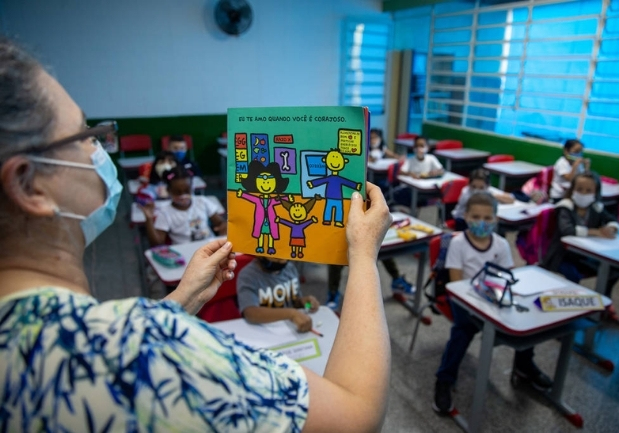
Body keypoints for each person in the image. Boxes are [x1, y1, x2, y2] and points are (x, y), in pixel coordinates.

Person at [0, 38, 392, 431]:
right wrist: (362, 256)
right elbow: (355, 417)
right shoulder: (163, 350)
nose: (99, 149)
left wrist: (179, 301)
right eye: (83, 136)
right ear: (29, 185)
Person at [433, 192, 552, 414]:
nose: (482, 222)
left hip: (492, 297)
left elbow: (507, 276)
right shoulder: (458, 243)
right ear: (466, 217)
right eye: (476, 216)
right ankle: (444, 379)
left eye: (488, 218)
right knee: (463, 331)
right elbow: (455, 282)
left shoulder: (500, 244)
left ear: (496, 219)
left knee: (525, 319)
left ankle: (525, 367)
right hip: (463, 300)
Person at [542, 171, 619, 295]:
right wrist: (594, 232)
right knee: (573, 274)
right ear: (572, 190)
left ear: (595, 193)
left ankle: (605, 301)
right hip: (563, 255)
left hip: (586, 255)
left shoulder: (595, 208)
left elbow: (612, 220)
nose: (583, 193)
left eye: (589, 191)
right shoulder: (565, 207)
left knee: (613, 271)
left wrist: (612, 228)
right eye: (579, 189)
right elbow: (567, 230)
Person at [141, 164, 226, 246]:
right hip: (184, 252)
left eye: (187, 191)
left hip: (209, 247)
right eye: (177, 192)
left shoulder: (202, 202)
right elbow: (157, 243)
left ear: (192, 188)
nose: (183, 195)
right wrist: (149, 220)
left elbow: (220, 223)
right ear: (168, 191)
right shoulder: (165, 213)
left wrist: (224, 227)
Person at [237, 256, 320, 332]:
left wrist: (306, 303)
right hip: (263, 332)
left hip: (290, 328)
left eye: (283, 258)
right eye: (276, 258)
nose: (281, 262)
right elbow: (251, 313)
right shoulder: (248, 276)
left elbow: (295, 303)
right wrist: (290, 314)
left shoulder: (290, 269)